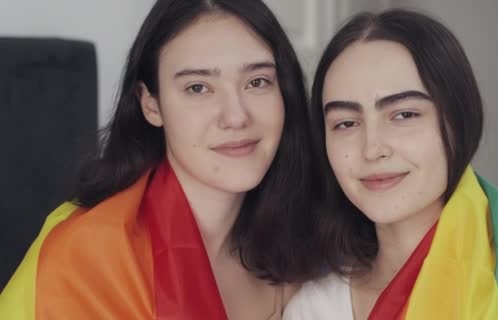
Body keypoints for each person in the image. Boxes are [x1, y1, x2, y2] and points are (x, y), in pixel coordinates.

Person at [0, 0, 320, 319]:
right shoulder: (89, 255)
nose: (236, 116)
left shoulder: (303, 239)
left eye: (257, 81)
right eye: (198, 87)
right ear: (152, 105)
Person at [284, 8, 498, 319]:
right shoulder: (310, 300)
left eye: (404, 115)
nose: (372, 149)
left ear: (458, 121)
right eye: (346, 123)